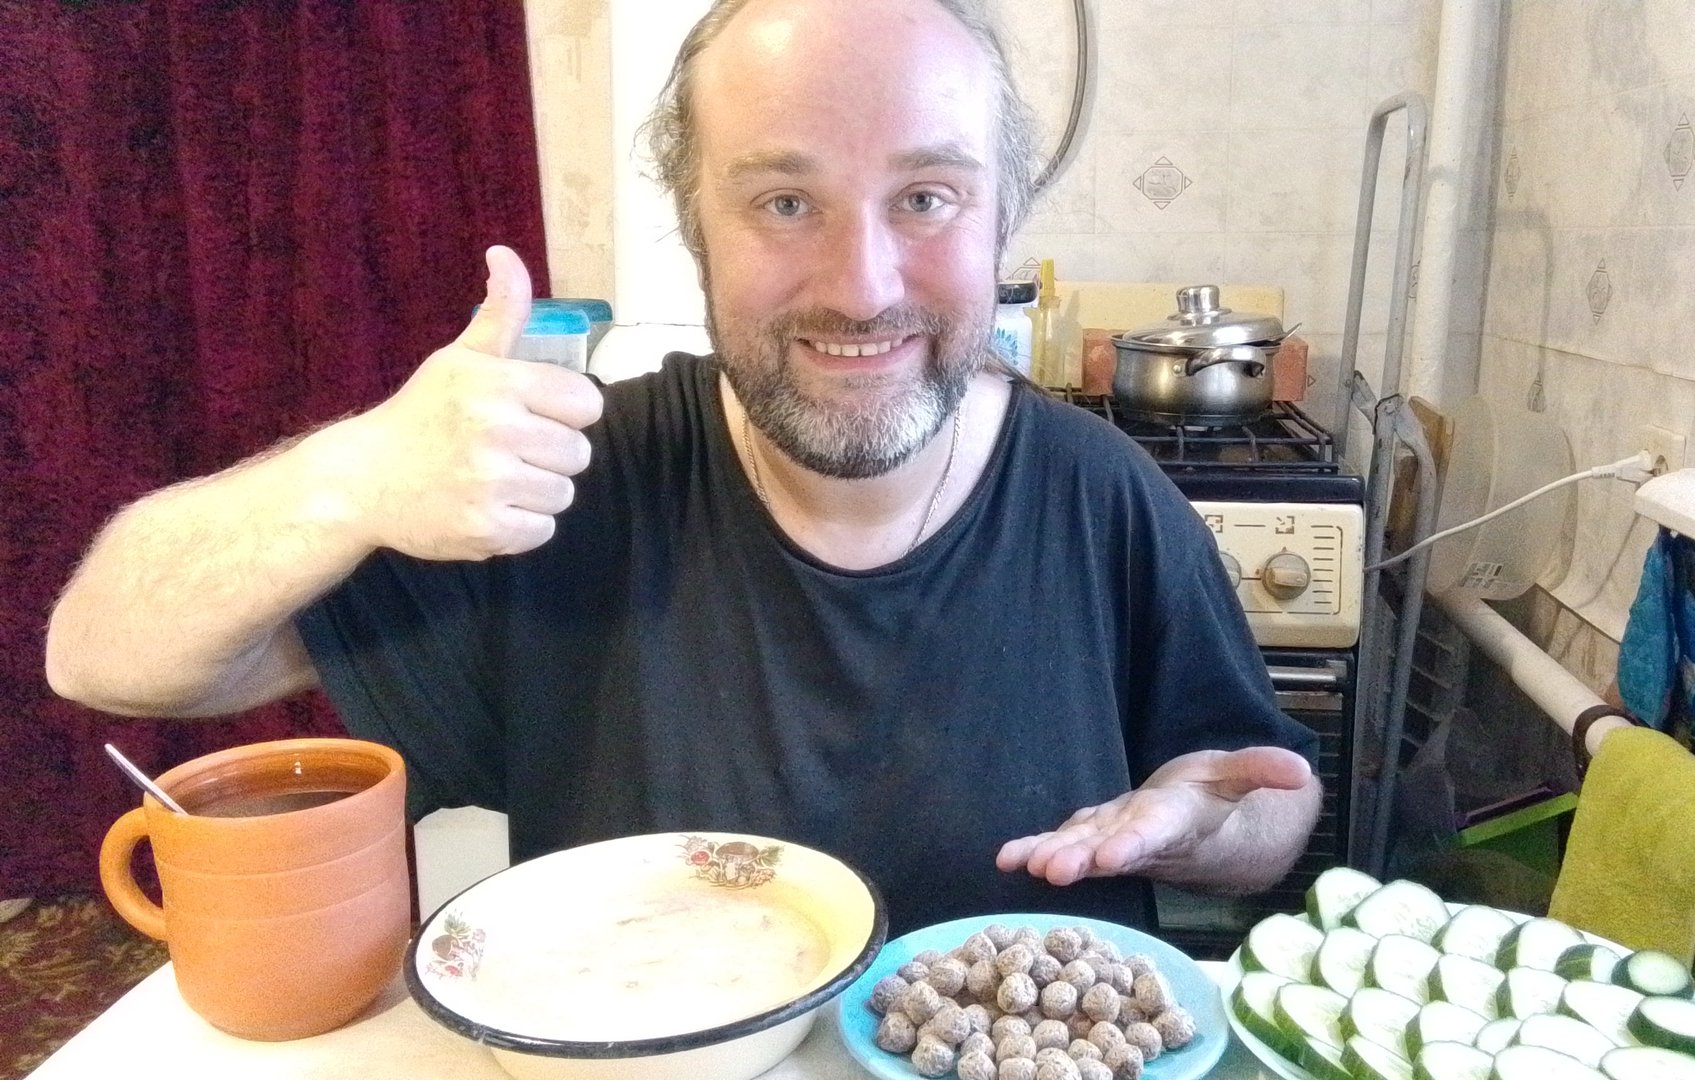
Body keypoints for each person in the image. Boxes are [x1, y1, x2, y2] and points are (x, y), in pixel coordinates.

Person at [45, 0, 1322, 933]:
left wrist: (1202, 828)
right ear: (694, 222)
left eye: (926, 197)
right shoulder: (566, 491)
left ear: (1002, 219)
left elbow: (1263, 814)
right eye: (783, 202)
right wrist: (355, 473)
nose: (860, 285)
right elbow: (104, 654)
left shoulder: (1104, 495)